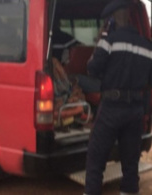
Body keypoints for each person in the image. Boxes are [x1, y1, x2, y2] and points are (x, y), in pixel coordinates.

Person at [84, 0, 152, 195]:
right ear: (129, 16)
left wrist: (100, 42)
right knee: (131, 164)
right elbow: (149, 82)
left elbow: (92, 69)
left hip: (111, 109)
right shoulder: (147, 46)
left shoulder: (109, 41)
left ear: (114, 17)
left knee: (96, 160)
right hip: (135, 111)